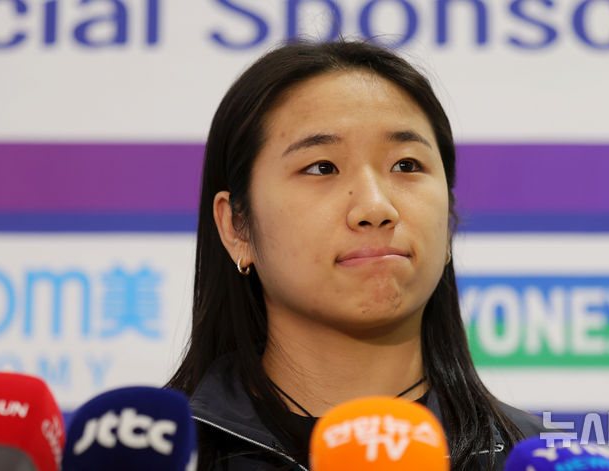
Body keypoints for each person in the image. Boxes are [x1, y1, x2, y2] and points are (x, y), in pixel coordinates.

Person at [167, 40, 547, 470]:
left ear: (448, 221)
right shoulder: (162, 456)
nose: (375, 207)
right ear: (237, 226)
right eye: (322, 167)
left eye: (406, 165)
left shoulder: (532, 459)